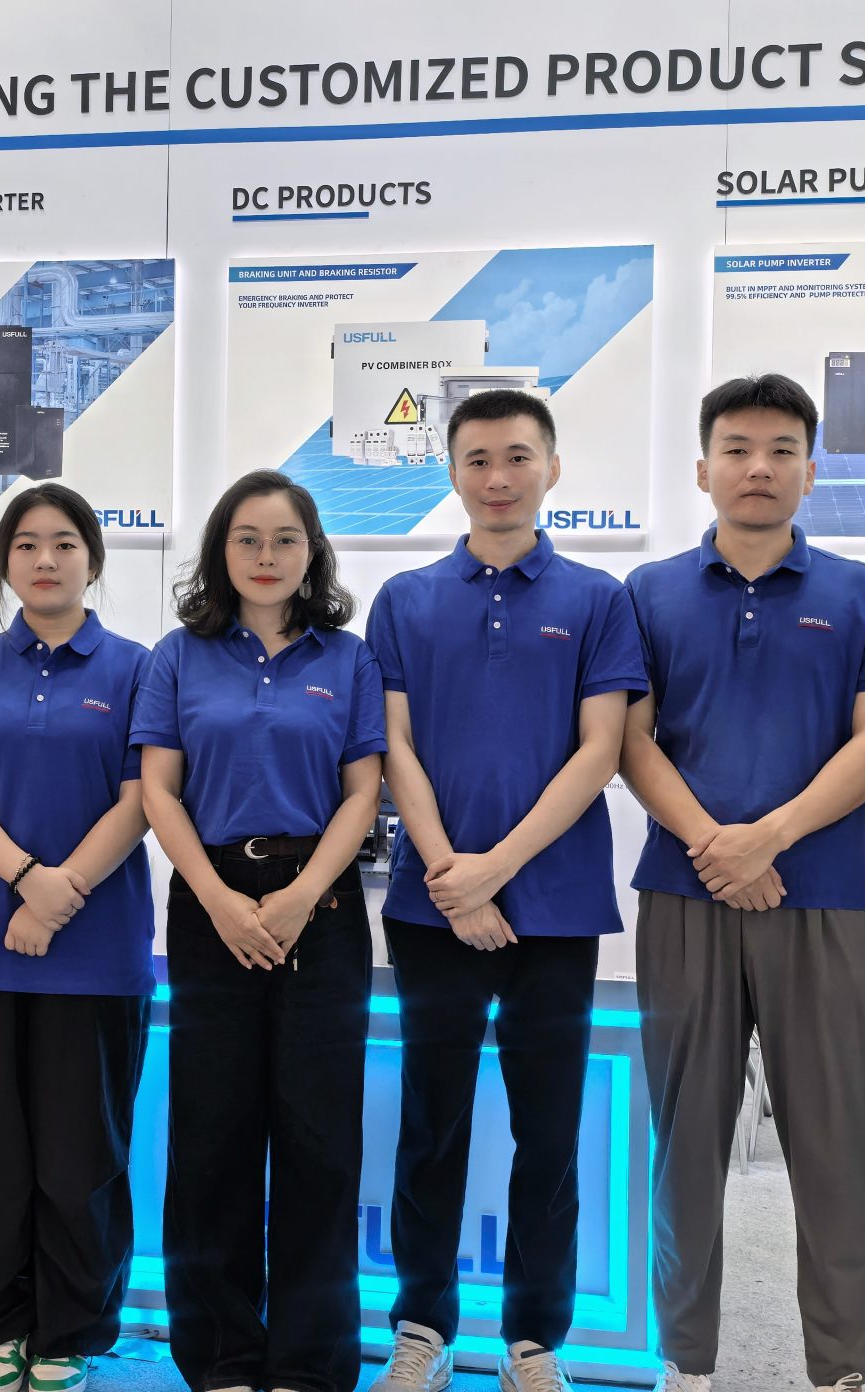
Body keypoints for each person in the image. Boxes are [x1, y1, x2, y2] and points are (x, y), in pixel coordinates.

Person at [619, 376, 865, 1392]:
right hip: (684, 893)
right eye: (736, 449)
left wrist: (769, 839)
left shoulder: (861, 594)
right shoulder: (648, 593)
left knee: (835, 1146)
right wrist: (714, 845)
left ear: (811, 472)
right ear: (701, 469)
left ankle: (840, 1369)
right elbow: (630, 740)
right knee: (684, 1144)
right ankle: (686, 1364)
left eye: (782, 449)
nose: (758, 467)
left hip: (823, 897)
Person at [365, 389, 648, 1392]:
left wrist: (496, 869)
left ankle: (534, 1341)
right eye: (478, 459)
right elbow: (393, 746)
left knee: (548, 1132)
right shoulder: (404, 599)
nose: (498, 477)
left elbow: (600, 751)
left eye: (517, 457)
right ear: (451, 473)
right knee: (430, 1125)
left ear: (551, 469)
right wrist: (453, 875)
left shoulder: (596, 599)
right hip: (432, 907)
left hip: (555, 907)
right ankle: (422, 1330)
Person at [131, 469, 386, 1392]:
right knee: (212, 1138)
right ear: (220, 551)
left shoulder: (348, 659)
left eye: (285, 539)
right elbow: (159, 789)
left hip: (321, 904)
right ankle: (223, 1355)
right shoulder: (178, 656)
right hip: (212, 902)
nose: (266, 556)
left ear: (312, 551)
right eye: (247, 539)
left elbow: (363, 792)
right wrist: (217, 898)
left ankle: (311, 1361)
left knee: (320, 1141)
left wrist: (302, 894)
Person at [0, 486, 153, 1392]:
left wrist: (59, 897)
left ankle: (72, 1331)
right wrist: (27, 880)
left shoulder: (137, 669)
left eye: (63, 543)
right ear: (5, 562)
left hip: (97, 950)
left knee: (82, 1152)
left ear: (94, 557)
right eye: (25, 545)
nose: (45, 560)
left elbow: (141, 799)